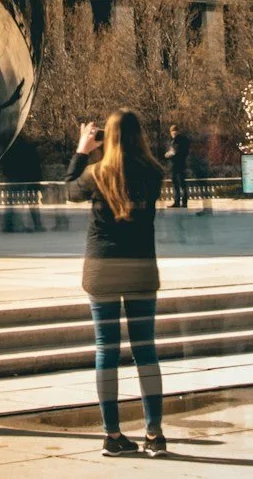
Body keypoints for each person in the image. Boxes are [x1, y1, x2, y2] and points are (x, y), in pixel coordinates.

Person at [69, 111, 168, 458]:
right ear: (140, 136)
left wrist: (83, 150)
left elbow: (70, 191)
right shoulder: (154, 173)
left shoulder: (95, 174)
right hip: (139, 269)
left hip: (103, 271)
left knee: (106, 351)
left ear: (106, 138)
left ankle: (112, 435)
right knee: (146, 351)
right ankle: (154, 433)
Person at [164, 123, 190, 209]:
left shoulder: (182, 140)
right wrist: (169, 154)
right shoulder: (171, 141)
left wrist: (170, 154)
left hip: (180, 165)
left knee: (182, 184)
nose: (174, 133)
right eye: (172, 132)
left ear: (178, 132)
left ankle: (184, 202)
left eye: (175, 131)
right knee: (175, 185)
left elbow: (179, 152)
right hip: (173, 166)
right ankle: (177, 201)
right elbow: (172, 151)